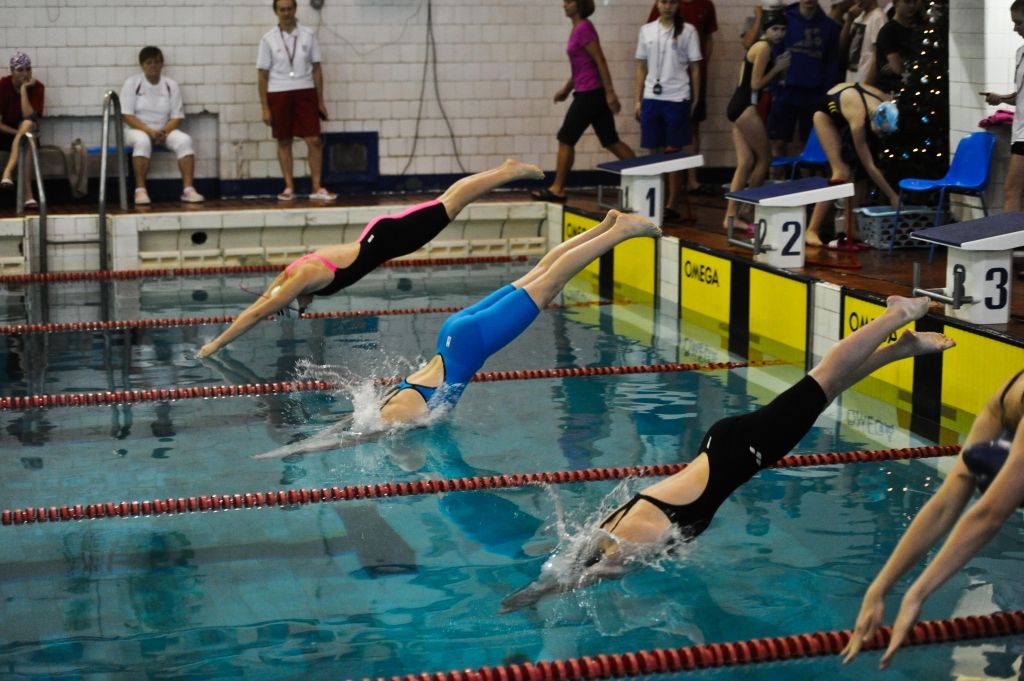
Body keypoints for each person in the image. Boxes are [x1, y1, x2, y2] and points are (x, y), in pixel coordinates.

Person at [501, 296, 955, 612]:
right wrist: (533, 594)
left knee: (824, 379)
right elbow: (568, 569)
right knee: (825, 389)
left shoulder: (623, 548)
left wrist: (535, 598)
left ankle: (899, 315)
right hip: (725, 446)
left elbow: (574, 578)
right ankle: (904, 348)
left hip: (742, 449)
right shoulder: (610, 536)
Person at [253, 209, 662, 459]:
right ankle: (606, 226)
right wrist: (295, 446)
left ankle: (619, 232)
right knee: (537, 274)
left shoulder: (396, 417)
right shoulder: (385, 401)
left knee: (549, 281)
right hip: (452, 334)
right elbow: (343, 427)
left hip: (472, 342)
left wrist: (296, 450)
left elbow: (349, 438)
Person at [197, 160, 545, 358]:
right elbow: (265, 300)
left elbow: (257, 312)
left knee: (452, 203)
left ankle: (507, 172)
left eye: (298, 309)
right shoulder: (292, 278)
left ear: (291, 301)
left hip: (392, 238)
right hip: (381, 236)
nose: (303, 310)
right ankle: (504, 171)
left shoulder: (303, 279)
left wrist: (214, 344)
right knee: (449, 201)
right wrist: (269, 301)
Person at [841, 370, 1024, 670]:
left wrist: (917, 593)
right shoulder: (1006, 398)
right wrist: (879, 589)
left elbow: (990, 514)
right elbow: (946, 502)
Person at [531, 0, 634, 203]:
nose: (564, 5)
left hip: (591, 94)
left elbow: (600, 60)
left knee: (566, 138)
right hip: (588, 91)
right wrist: (566, 90)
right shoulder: (578, 29)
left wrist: (610, 92)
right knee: (610, 140)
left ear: (579, 5)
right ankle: (645, 174)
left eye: (568, 2)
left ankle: (557, 189)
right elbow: (580, 67)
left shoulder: (584, 28)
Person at [805, 80, 901, 246]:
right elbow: (869, 165)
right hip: (825, 116)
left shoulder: (883, 100)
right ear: (872, 120)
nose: (878, 137)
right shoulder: (858, 122)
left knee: (859, 177)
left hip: (845, 107)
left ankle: (851, 228)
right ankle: (811, 230)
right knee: (841, 172)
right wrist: (892, 195)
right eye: (877, 133)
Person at [257, 0, 336, 202]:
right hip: (279, 91)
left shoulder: (308, 35)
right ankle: (289, 186)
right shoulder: (268, 39)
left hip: (305, 90)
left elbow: (317, 69)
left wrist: (320, 101)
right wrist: (265, 108)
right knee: (284, 140)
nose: (286, 13)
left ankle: (317, 186)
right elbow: (263, 75)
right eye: (282, 10)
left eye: (289, 9)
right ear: (276, 12)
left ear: (295, 10)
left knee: (314, 139)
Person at [634, 0, 703, 220]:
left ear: (678, 5)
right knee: (653, 150)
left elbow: (695, 67)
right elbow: (641, 66)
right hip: (652, 97)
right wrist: (638, 100)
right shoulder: (646, 30)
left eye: (672, 2)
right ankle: (654, 199)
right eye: (664, 1)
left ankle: (672, 204)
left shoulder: (689, 31)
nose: (667, 6)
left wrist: (695, 98)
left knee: (674, 154)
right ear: (657, 3)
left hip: (677, 97)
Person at [724, 10, 791, 230]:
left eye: (782, 30)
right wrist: (778, 69)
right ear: (765, 30)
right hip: (745, 107)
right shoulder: (763, 48)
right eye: (775, 29)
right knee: (765, 159)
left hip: (737, 105)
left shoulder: (760, 48)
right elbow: (755, 84)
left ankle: (731, 216)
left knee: (745, 163)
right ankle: (748, 209)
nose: (779, 34)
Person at [645, 0, 718, 195]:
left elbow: (708, 40)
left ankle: (692, 179)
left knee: (693, 126)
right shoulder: (661, 8)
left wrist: (699, 66)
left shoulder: (705, 6)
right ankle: (664, 184)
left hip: (688, 78)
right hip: (663, 85)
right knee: (661, 138)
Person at [120, 46, 205, 205]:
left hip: (164, 130)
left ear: (162, 64)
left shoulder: (170, 85)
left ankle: (188, 189)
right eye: (149, 62)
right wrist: (149, 132)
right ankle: (140, 190)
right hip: (136, 130)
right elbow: (127, 116)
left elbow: (177, 117)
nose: (153, 66)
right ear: (142, 65)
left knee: (184, 140)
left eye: (157, 62)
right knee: (142, 141)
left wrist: (163, 132)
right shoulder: (132, 83)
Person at [767, 0, 842, 160]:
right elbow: (773, 54)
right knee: (778, 142)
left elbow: (832, 65)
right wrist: (774, 87)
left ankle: (809, 184)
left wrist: (827, 96)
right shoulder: (784, 20)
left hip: (814, 93)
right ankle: (778, 182)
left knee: (810, 144)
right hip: (786, 91)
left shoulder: (828, 27)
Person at [984, 1, 1024, 212]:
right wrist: (1000, 98)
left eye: (1019, 23)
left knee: (1011, 191)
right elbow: (1021, 96)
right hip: (1019, 132)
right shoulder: (1020, 53)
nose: (1015, 28)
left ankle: (1012, 244)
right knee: (1015, 192)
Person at [0, 51, 44, 210]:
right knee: (25, 135)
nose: (25, 74)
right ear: (12, 71)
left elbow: (30, 116)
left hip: (28, 132)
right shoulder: (3, 85)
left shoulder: (37, 87)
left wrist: (24, 90)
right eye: (20, 70)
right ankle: (28, 197)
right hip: (6, 133)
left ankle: (7, 173)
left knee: (28, 127)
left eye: (28, 69)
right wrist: (17, 133)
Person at [871, 0, 919, 94]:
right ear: (895, 3)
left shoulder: (915, 29)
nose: (912, 6)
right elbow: (897, 68)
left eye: (914, 2)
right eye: (907, 2)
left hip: (908, 89)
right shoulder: (889, 31)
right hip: (889, 91)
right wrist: (904, 63)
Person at [843, 0, 886, 84]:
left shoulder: (878, 17)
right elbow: (841, 46)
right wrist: (849, 20)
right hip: (852, 78)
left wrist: (868, 83)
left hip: (864, 79)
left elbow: (878, 54)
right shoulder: (858, 16)